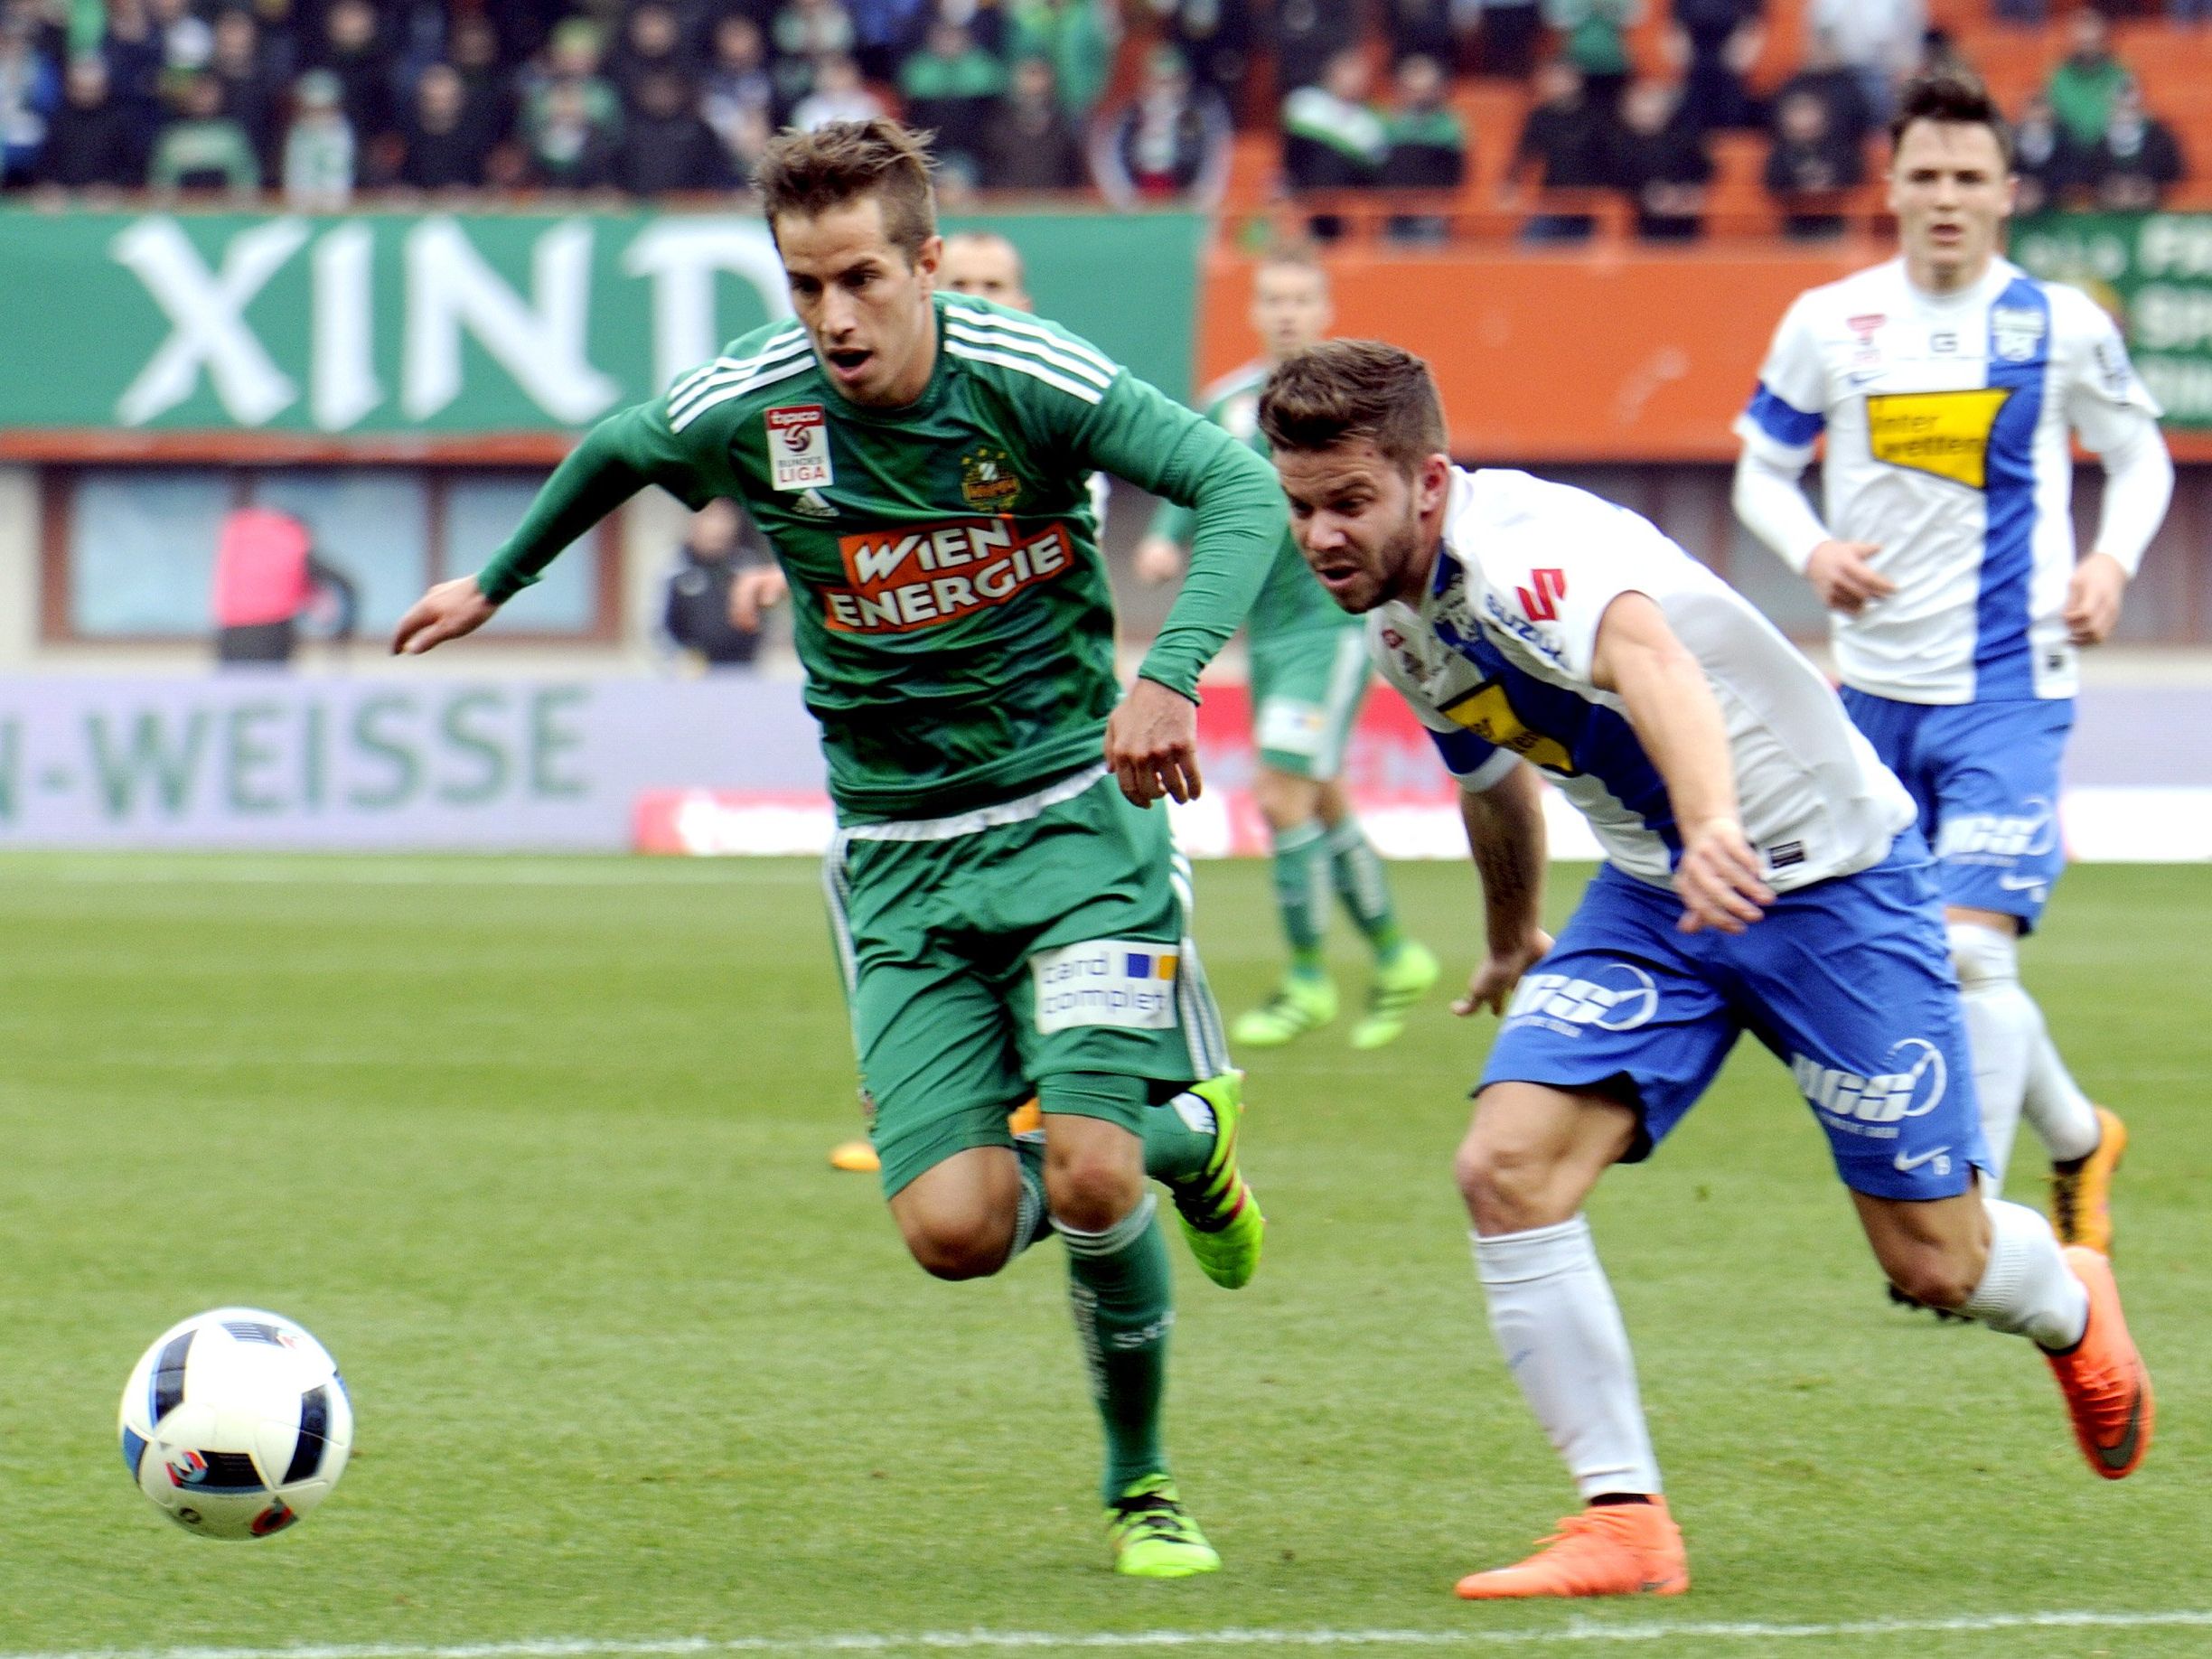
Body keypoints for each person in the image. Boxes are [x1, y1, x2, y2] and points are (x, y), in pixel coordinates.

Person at [389, 118, 1279, 1579]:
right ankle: (1203, 1130)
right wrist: (497, 579)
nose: (832, 316)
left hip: (1071, 825)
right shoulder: (759, 402)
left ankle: (1143, 1486)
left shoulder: (1029, 379)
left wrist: (1171, 670)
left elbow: (1235, 487)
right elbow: (621, 444)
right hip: (898, 861)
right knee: (953, 1231)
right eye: (804, 285)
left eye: (860, 277)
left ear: (928, 265)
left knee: (1091, 1180)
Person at [1260, 336, 2153, 1599]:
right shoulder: (1401, 629)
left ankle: (2069, 1296)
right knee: (1505, 1169)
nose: (1322, 536)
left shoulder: (1527, 552)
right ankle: (1624, 1523)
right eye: (1300, 506)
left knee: (1934, 1263)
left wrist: (1716, 819)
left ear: (1428, 479)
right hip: (1658, 896)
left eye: (1347, 503)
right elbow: (1489, 778)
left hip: (1831, 882)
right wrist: (1516, 930)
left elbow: (1652, 660)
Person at [1732, 75, 2170, 1262]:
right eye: (1925, 174)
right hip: (1869, 697)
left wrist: (2114, 565)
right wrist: (1812, 549)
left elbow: (2140, 461)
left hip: (2011, 687)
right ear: (1890, 186)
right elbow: (1759, 472)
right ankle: (2081, 1140)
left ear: (2006, 195)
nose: (1945, 197)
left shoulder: (2059, 323)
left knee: (1972, 949)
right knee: (1922, 961)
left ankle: (1967, 1207)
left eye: (1969, 177)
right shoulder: (1830, 321)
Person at [733, 228, 1102, 1178]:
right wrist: (802, 576)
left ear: (1026, 301)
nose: (978, 297)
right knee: (852, 868)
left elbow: (999, 551)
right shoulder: (879, 401)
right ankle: (930, 1112)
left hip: (1046, 750)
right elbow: (849, 518)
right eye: (966, 281)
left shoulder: (1046, 400)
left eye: (996, 284)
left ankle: (1133, 1119)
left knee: (1088, 1017)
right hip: (921, 765)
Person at [1135, 250, 1438, 1051]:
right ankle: (1396, 954)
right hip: (1266, 633)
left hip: (1331, 626)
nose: (1288, 312)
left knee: (1279, 797)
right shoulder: (1230, 403)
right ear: (1256, 309)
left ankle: (1306, 979)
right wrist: (1167, 541)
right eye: (1274, 297)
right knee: (1321, 795)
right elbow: (1193, 477)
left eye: (1302, 297)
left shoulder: (1352, 411)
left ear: (1326, 307)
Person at [212, 501, 358, 666]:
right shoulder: (291, 541)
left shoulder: (239, 537)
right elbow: (348, 586)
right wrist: (342, 635)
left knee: (235, 685)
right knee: (270, 686)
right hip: (272, 635)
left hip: (230, 635)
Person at [662, 499, 768, 669]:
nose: (718, 528)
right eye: (710, 517)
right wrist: (677, 660)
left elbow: (765, 622)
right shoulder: (674, 568)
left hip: (743, 675)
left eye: (724, 518)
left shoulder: (748, 568)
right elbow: (657, 629)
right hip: (688, 678)